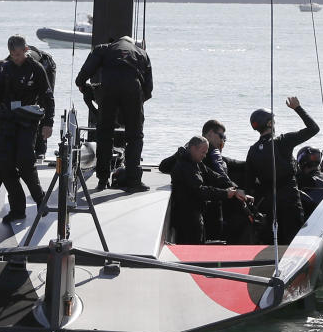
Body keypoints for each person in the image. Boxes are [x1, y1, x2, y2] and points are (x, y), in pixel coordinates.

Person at [75, 34, 153, 193]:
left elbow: (82, 76)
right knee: (135, 136)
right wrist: (136, 105)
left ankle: (102, 180)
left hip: (108, 89)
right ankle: (134, 181)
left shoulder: (104, 48)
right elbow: (149, 89)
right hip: (133, 89)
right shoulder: (142, 53)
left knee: (104, 134)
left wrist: (84, 87)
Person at [0, 35, 55, 222]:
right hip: (8, 121)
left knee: (25, 163)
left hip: (27, 121)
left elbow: (47, 97)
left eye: (18, 54)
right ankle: (18, 209)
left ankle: (40, 200)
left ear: (25, 50)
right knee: (5, 165)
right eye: (12, 54)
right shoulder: (5, 68)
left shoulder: (36, 68)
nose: (16, 58)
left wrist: (48, 123)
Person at [244, 96, 319, 244]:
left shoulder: (252, 151)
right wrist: (298, 108)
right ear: (270, 123)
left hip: (269, 202)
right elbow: (314, 129)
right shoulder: (282, 141)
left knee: (273, 240)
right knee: (293, 238)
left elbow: (249, 183)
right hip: (289, 198)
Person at [169, 136, 250, 244]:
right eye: (203, 152)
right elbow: (200, 191)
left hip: (197, 213)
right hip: (187, 217)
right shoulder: (185, 166)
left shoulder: (197, 162)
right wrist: (225, 193)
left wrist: (237, 190)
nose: (204, 155)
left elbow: (215, 176)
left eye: (206, 152)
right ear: (193, 148)